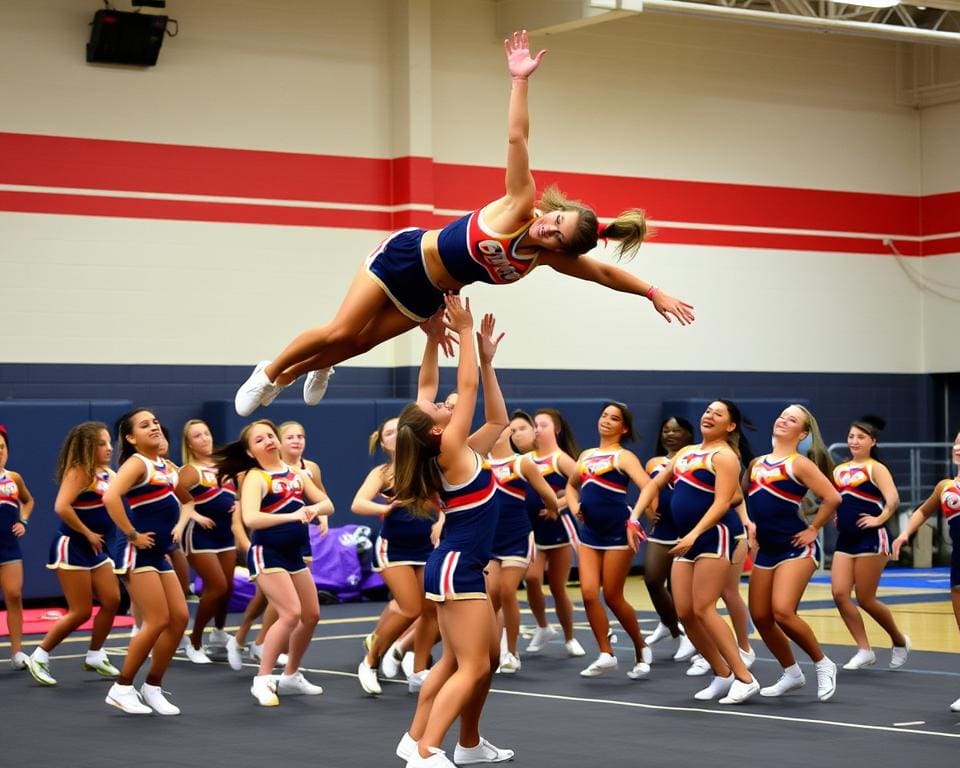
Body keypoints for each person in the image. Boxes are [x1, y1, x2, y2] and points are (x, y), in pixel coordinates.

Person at [233, 29, 695, 417]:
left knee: (359, 345)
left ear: (561, 248)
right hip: (404, 257)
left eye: (555, 233)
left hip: (428, 293)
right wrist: (519, 81)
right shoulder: (521, 205)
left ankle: (309, 370)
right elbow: (518, 137)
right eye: (554, 218)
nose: (546, 227)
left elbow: (605, 274)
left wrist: (653, 293)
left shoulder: (545, 260)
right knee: (340, 331)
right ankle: (269, 373)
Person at [393, 296, 513, 768]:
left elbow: (498, 420)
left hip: (461, 566)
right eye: (439, 409)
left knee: (466, 662)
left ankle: (439, 740)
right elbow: (460, 389)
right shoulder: (449, 449)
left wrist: (484, 360)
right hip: (458, 566)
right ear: (435, 430)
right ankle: (426, 751)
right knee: (474, 665)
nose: (444, 404)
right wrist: (462, 331)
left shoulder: (461, 450)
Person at [629, 400, 759, 705]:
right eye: (707, 411)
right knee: (685, 612)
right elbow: (654, 484)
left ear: (730, 426)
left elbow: (722, 503)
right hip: (685, 539)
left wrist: (694, 534)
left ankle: (744, 677)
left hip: (715, 536)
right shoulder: (687, 453)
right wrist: (633, 517)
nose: (709, 415)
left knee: (704, 608)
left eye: (718, 413)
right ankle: (721, 673)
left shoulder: (725, 456)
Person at [353, 312, 451, 696]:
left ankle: (416, 665)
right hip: (393, 544)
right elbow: (360, 503)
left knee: (429, 610)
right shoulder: (385, 473)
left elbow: (425, 392)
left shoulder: (428, 460)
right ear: (387, 441)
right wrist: (383, 509)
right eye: (389, 431)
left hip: (425, 545)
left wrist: (443, 518)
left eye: (400, 429)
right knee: (409, 608)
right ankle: (371, 658)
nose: (396, 435)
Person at [215, 419, 333, 707]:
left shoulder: (296, 473)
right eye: (259, 440)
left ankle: (291, 675)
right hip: (267, 553)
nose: (267, 441)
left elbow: (327, 504)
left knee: (312, 615)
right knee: (290, 614)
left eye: (270, 435)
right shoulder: (257, 477)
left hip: (293, 555)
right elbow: (251, 519)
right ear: (251, 452)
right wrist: (293, 516)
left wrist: (313, 509)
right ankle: (262, 679)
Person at [745, 405, 841, 702]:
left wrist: (814, 528)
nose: (783, 421)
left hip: (795, 548)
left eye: (792, 420)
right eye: (782, 416)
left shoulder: (798, 464)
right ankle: (791, 672)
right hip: (767, 549)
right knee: (760, 617)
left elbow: (833, 497)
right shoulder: (756, 464)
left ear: (803, 434)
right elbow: (747, 500)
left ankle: (823, 663)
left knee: (782, 612)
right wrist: (749, 526)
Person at [103, 409, 188, 715]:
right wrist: (132, 533)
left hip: (158, 552)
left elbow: (188, 499)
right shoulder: (137, 463)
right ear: (130, 437)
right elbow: (111, 496)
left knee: (179, 618)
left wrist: (181, 524)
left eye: (154, 422)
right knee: (157, 620)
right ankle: (121, 687)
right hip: (135, 551)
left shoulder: (167, 466)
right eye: (144, 425)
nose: (153, 427)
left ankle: (152, 687)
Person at [25, 423, 121, 686]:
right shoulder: (80, 472)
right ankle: (39, 655)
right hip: (72, 546)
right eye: (102, 443)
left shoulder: (110, 474)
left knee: (112, 600)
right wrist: (88, 532)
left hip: (96, 548)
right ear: (89, 447)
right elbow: (61, 507)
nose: (109, 447)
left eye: (109, 442)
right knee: (80, 611)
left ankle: (95, 654)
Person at [566, 402, 653, 679]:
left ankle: (641, 646)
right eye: (604, 415)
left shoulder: (623, 457)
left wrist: (635, 519)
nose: (606, 420)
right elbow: (571, 485)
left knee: (612, 597)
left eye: (614, 418)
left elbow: (649, 485)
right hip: (590, 534)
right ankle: (606, 653)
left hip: (618, 532)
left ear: (623, 428)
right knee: (589, 593)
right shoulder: (586, 455)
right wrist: (574, 506)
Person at [831, 415, 910, 670]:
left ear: (872, 442)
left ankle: (899, 640)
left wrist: (880, 519)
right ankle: (864, 649)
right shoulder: (839, 469)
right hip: (846, 539)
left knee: (866, 598)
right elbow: (840, 500)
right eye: (851, 436)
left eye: (861, 437)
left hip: (872, 539)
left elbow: (893, 500)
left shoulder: (875, 467)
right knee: (840, 593)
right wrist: (835, 516)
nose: (854, 441)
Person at [892, 430, 960, 712]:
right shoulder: (946, 486)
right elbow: (922, 511)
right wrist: (904, 533)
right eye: (957, 443)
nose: (958, 448)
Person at [487, 414, 559, 675]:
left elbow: (547, 493)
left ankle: (512, 652)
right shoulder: (481, 465)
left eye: (501, 429)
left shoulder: (521, 463)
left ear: (508, 433)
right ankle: (492, 651)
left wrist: (553, 509)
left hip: (517, 537)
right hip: (489, 539)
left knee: (507, 591)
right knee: (491, 595)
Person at [173, 419, 241, 667]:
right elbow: (172, 498)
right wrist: (196, 515)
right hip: (200, 536)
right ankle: (195, 642)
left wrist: (237, 505)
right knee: (217, 587)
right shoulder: (190, 471)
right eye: (197, 436)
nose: (205, 438)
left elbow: (237, 494)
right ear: (189, 444)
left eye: (207, 433)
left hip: (225, 534)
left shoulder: (224, 465)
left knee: (228, 587)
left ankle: (219, 633)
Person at [523, 408, 584, 658]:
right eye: (534, 425)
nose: (537, 429)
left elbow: (582, 487)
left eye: (543, 425)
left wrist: (556, 506)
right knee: (532, 578)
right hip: (533, 530)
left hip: (559, 527)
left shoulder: (561, 459)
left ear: (556, 429)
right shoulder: (527, 459)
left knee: (558, 587)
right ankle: (543, 626)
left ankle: (570, 637)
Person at [643, 416, 697, 661]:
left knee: (679, 589)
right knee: (653, 580)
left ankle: (688, 636)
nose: (671, 434)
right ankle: (671, 626)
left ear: (688, 433)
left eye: (677, 430)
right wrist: (647, 511)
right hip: (662, 529)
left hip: (686, 529)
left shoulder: (695, 457)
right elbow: (648, 489)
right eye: (666, 430)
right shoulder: (654, 462)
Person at [0, 424, 35, 671]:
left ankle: (17, 651)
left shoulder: (14, 478)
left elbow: (28, 500)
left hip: (8, 548)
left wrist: (23, 520)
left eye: (2, 448)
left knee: (14, 595)